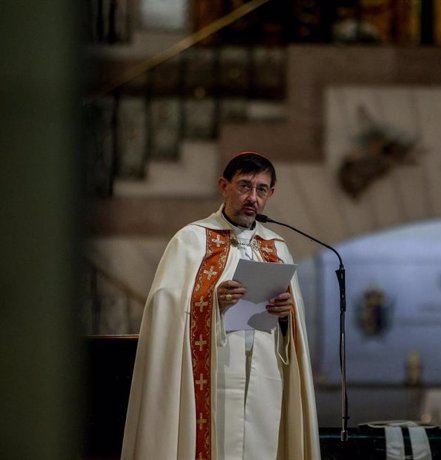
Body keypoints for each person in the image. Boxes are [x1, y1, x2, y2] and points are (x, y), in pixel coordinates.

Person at [121, 152, 321, 460]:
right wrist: (211, 300)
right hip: (212, 373)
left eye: (262, 189)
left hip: (265, 373)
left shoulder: (276, 246)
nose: (252, 197)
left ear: (271, 194)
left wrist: (285, 317)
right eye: (244, 186)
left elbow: (293, 330)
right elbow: (164, 308)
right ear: (223, 186)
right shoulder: (191, 240)